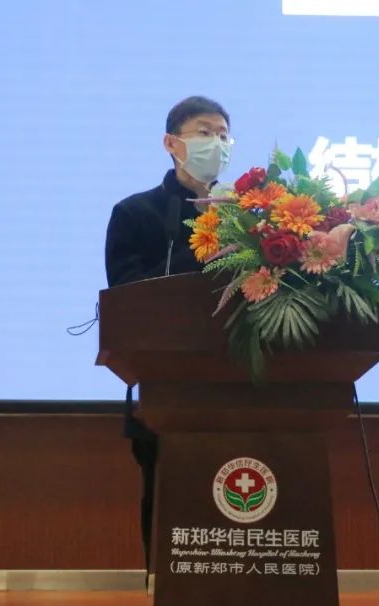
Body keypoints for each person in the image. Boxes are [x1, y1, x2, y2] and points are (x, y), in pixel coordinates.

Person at [103, 95, 233, 574]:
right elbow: (128, 297)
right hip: (166, 390)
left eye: (223, 135)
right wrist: (204, 245)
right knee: (170, 508)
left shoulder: (250, 214)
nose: (216, 143)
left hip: (242, 388)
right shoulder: (134, 212)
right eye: (204, 132)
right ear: (171, 143)